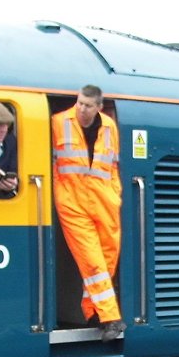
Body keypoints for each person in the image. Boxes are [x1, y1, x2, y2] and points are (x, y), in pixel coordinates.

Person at [51, 84, 124, 340]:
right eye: (79, 103)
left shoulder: (109, 127)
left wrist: (115, 194)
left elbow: (113, 164)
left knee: (108, 258)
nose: (81, 108)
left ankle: (91, 310)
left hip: (104, 199)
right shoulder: (58, 122)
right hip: (72, 200)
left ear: (98, 107)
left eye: (88, 105)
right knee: (91, 259)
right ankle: (110, 318)